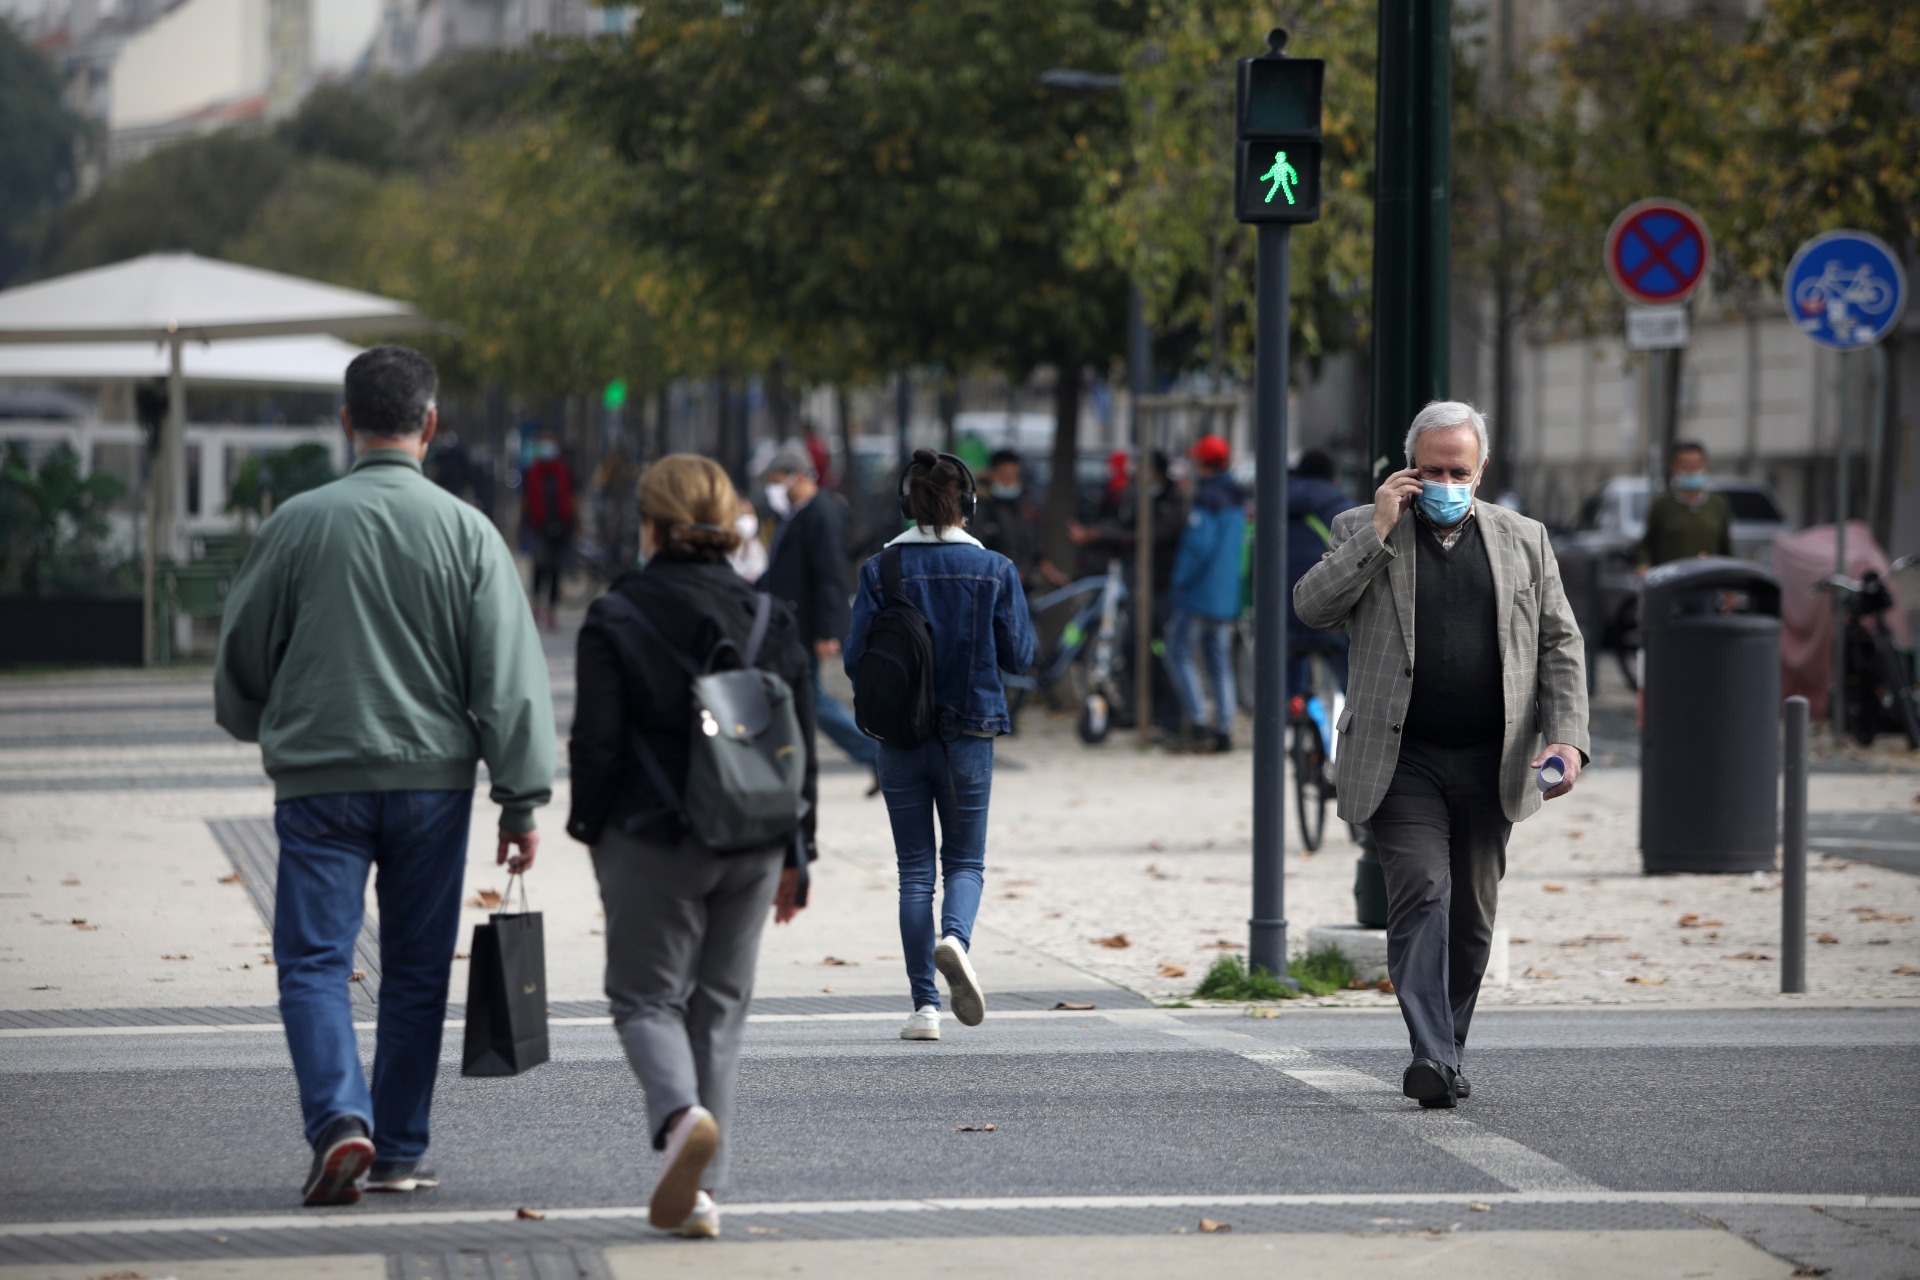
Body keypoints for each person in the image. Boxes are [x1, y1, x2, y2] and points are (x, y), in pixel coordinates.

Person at [215, 345, 555, 1206]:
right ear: (431, 425)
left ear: (345, 423)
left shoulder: (296, 524)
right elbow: (508, 680)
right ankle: (400, 1146)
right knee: (412, 970)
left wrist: (269, 727)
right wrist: (519, 798)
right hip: (433, 787)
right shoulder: (468, 532)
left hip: (320, 779)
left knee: (315, 962)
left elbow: (241, 657)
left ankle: (339, 1121)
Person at [1293, 401, 1588, 1110]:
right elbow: (1311, 607)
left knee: (1472, 917)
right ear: (1408, 470)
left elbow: (1560, 641)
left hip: (1495, 757)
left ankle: (1447, 1049)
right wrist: (1380, 530)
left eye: (1459, 470)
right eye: (1432, 470)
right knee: (1422, 893)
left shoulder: (1525, 540)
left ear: (1481, 469)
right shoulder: (1362, 529)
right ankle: (1429, 1053)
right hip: (1403, 759)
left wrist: (1568, 737)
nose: (1446, 482)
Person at [567, 455, 815, 1241]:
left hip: (654, 833)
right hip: (756, 835)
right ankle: (702, 1192)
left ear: (650, 526)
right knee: (719, 1010)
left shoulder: (617, 614)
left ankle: (679, 1121)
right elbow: (799, 741)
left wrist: (590, 830)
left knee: (645, 999)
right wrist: (799, 851)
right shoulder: (771, 615)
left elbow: (597, 743)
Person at [844, 450, 1036, 1042]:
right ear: (969, 506)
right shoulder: (996, 570)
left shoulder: (880, 571)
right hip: (970, 735)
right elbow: (1021, 656)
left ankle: (924, 1008)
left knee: (913, 872)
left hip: (901, 737)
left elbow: (857, 660)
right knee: (966, 862)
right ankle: (956, 938)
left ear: (907, 504)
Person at [759, 442, 880, 782]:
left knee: (809, 697)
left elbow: (830, 574)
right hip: (791, 621)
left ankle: (872, 754)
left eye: (777, 479)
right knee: (799, 695)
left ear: (797, 477)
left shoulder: (820, 513)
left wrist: (828, 631)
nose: (773, 488)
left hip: (806, 623)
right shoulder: (798, 514)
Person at [1164, 435, 1247, 753]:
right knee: (1219, 662)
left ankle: (1198, 722)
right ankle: (1224, 727)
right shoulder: (1237, 498)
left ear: (1203, 463)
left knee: (1179, 653)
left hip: (1198, 593)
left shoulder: (1208, 498)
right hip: (1226, 594)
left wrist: (1179, 581)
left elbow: (1198, 547)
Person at [1288, 449, 1355, 699]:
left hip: (1285, 616)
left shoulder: (1274, 506)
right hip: (1332, 618)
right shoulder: (1345, 510)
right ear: (1334, 478)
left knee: (1287, 687)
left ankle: (1291, 709)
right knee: (1354, 692)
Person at [1637, 440, 1732, 571]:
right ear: (1674, 467)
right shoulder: (1662, 505)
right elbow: (1646, 545)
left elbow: (1726, 548)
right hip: (1671, 580)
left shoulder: (1717, 504)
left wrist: (1730, 586)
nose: (1691, 471)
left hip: (1707, 580)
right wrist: (1643, 565)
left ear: (1705, 465)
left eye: (1695, 465)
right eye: (1686, 466)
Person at [969, 448, 1056, 590]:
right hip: (993, 586)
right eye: (1004, 476)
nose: (1009, 482)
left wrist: (1051, 574)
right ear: (991, 474)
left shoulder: (1022, 506)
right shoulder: (980, 507)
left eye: (1014, 476)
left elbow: (1034, 549)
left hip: (1023, 586)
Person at [522, 431, 575, 629]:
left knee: (555, 570)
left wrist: (576, 524)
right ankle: (536, 606)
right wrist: (520, 526)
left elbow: (573, 498)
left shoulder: (565, 471)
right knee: (539, 566)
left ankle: (551, 610)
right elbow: (526, 500)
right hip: (538, 526)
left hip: (562, 526)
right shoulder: (532, 472)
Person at [727, 493, 768, 582]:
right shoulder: (726, 550)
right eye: (742, 515)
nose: (747, 519)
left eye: (750, 514)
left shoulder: (760, 546)